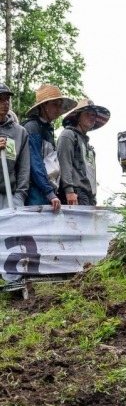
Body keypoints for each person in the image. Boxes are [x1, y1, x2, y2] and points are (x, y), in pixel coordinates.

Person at [22, 84, 77, 211]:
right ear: (43, 106)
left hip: (48, 191)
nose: (58, 109)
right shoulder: (32, 127)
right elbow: (35, 163)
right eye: (54, 104)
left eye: (59, 105)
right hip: (35, 191)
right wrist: (49, 192)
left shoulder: (48, 129)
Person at [0, 83, 31, 284]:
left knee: (10, 236)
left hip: (9, 194)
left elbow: (24, 167)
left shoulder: (20, 132)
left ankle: (12, 279)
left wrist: (20, 195)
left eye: (6, 99)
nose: (4, 104)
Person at [57, 99, 110, 206]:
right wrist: (69, 190)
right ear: (78, 117)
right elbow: (64, 163)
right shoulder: (68, 135)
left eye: (94, 115)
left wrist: (93, 197)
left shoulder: (90, 148)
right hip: (75, 193)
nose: (92, 117)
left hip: (88, 196)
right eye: (87, 114)